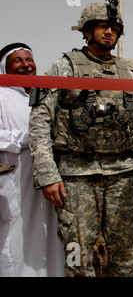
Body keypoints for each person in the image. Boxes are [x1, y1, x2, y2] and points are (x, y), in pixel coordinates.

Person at [28, 0, 133, 277]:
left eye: (114, 27)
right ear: (87, 31)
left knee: (125, 258)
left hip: (123, 175)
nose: (109, 31)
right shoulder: (63, 67)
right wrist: (48, 174)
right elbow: (40, 123)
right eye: (102, 26)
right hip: (77, 177)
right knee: (78, 257)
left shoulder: (127, 72)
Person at [0, 43, 65, 276]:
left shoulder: (44, 94)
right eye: (18, 61)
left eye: (29, 60)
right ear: (5, 67)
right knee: (16, 235)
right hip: (16, 177)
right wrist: (29, 138)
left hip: (49, 177)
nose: (26, 65)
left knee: (50, 234)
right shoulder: (1, 94)